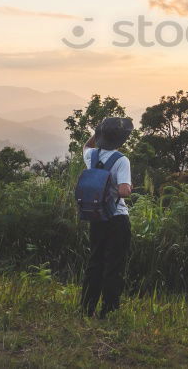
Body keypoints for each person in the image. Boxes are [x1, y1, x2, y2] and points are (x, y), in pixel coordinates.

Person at [80, 116, 134, 318]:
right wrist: (126, 187)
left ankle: (87, 308)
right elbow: (124, 191)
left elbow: (86, 145)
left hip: (96, 216)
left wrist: (97, 133)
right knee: (114, 266)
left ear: (102, 136)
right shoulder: (121, 160)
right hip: (117, 218)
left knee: (95, 262)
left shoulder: (91, 155)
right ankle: (108, 311)